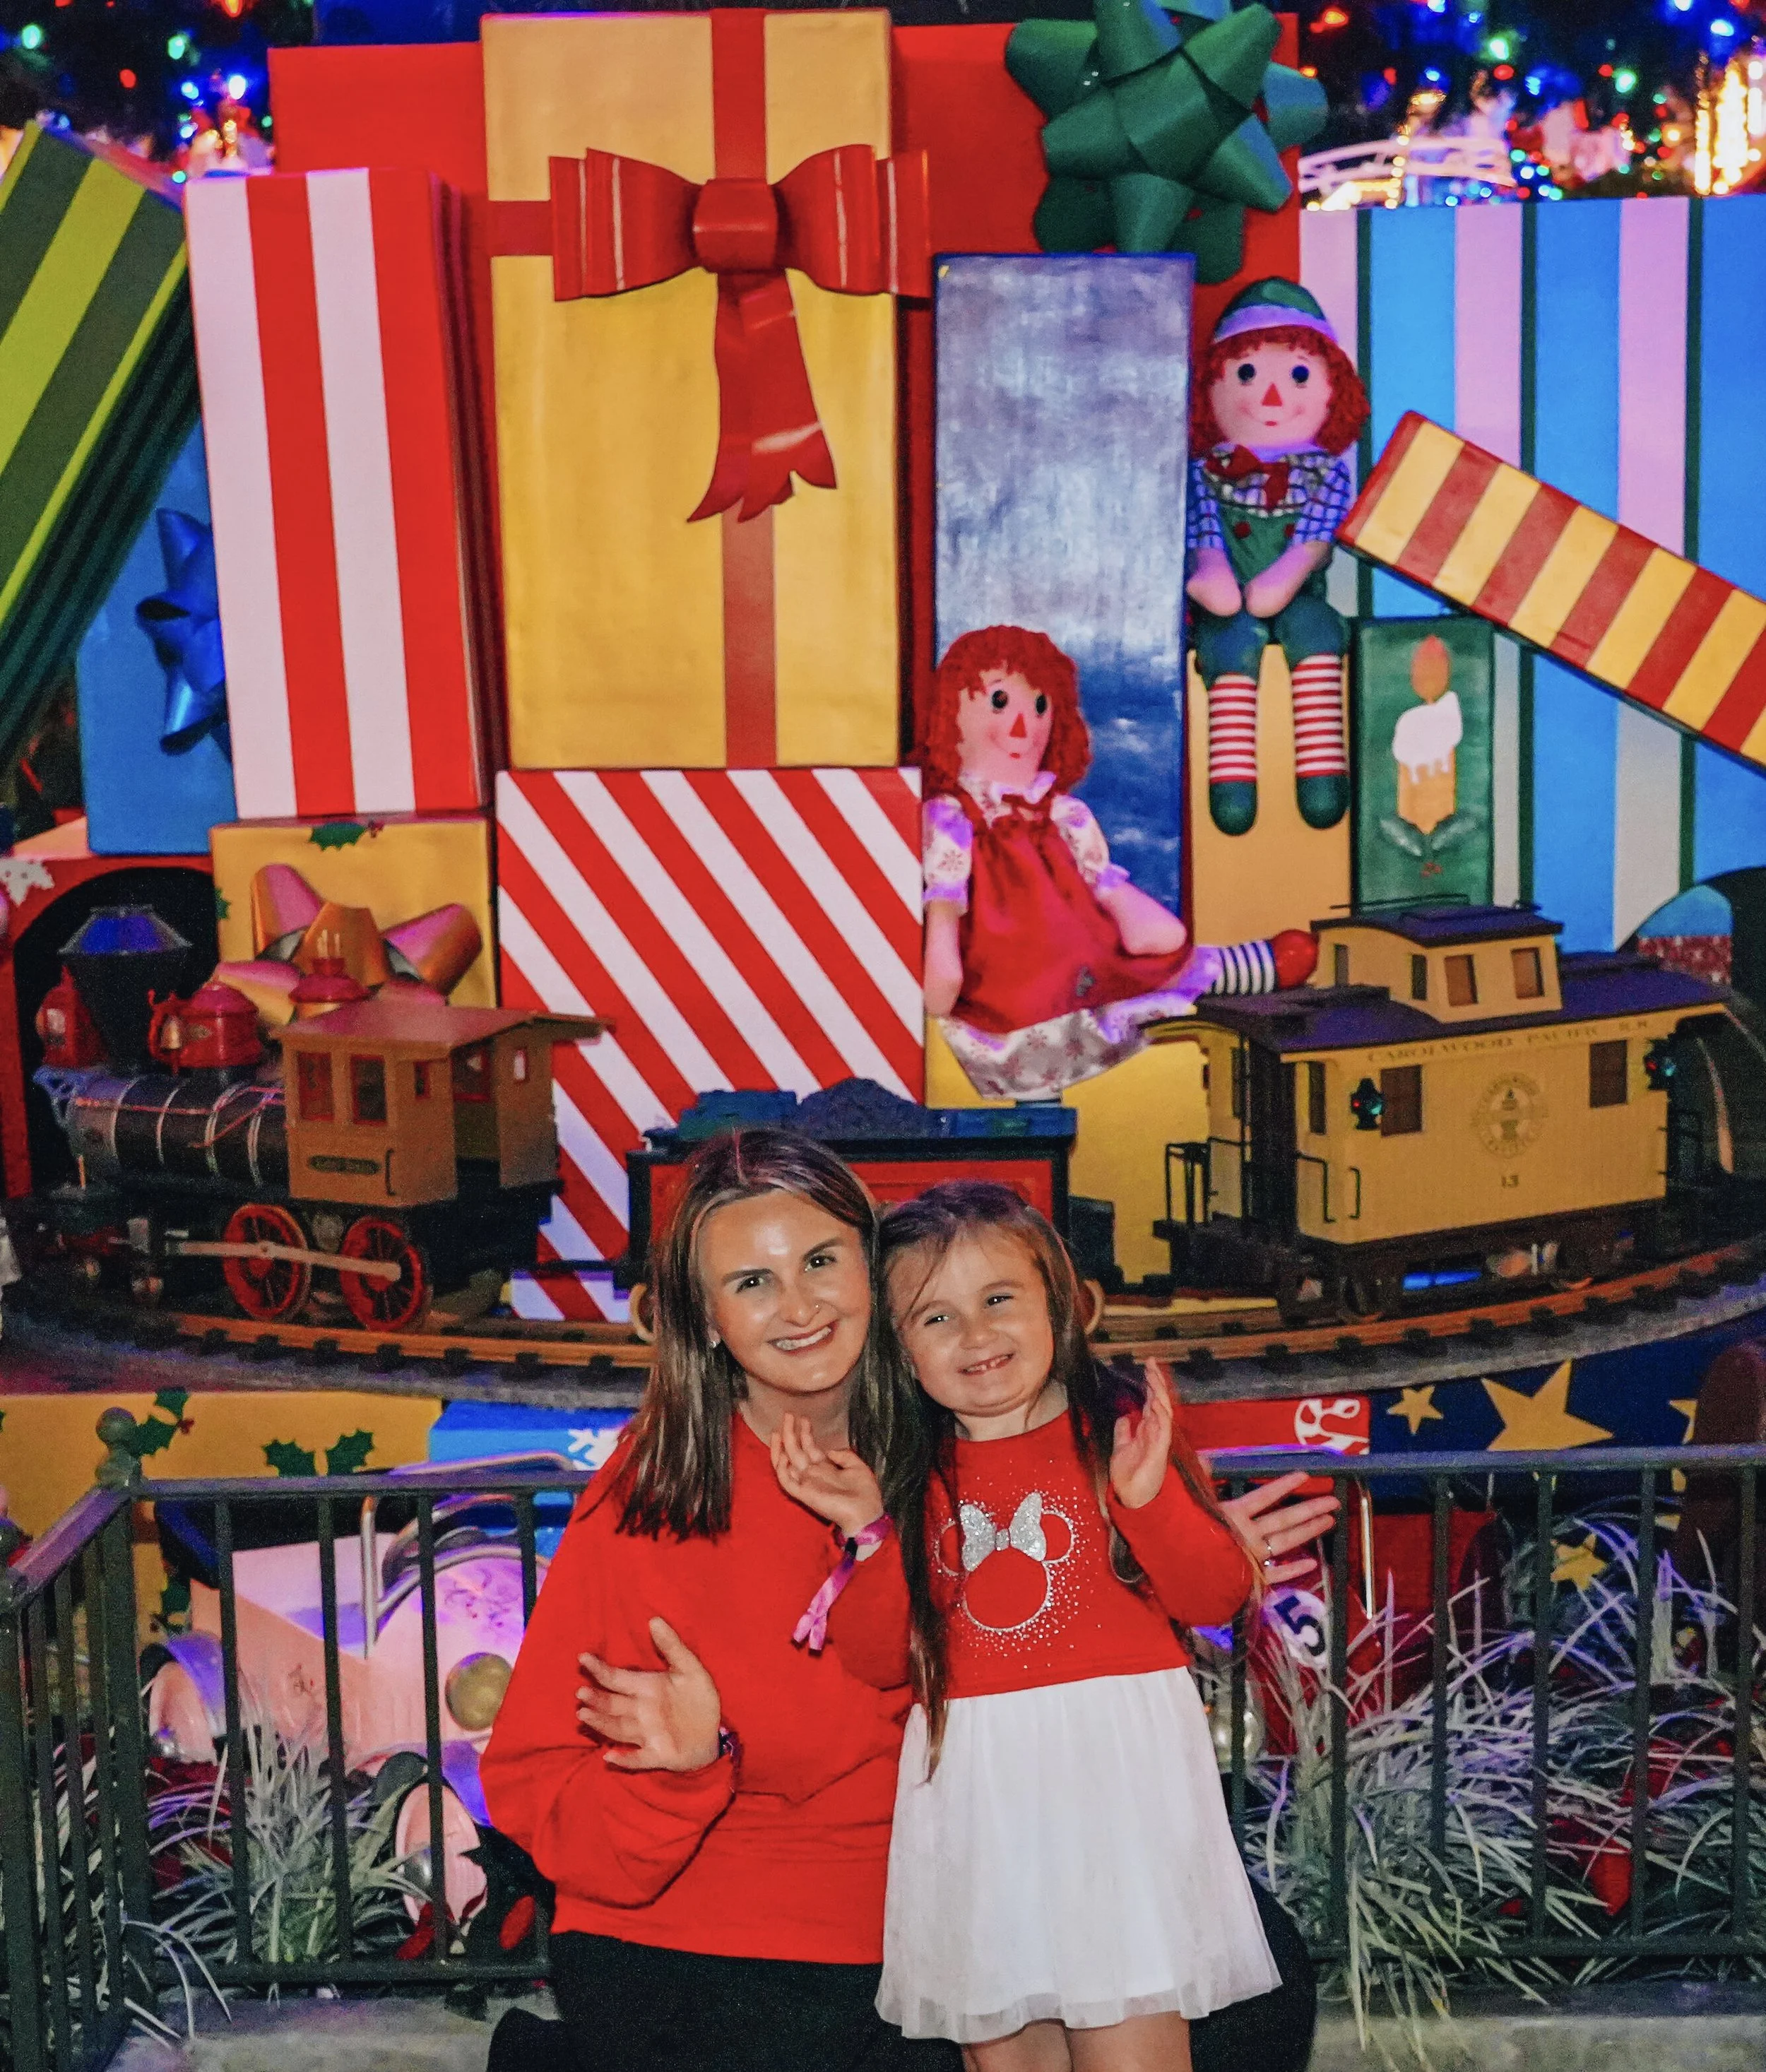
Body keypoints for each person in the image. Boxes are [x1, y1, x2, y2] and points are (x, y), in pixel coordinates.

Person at [772, 1180, 1335, 2071]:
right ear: (898, 1346)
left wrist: (1149, 1503)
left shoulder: (1117, 1437)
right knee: (1009, 2054)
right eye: (936, 1317)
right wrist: (870, 1536)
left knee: (1133, 2046)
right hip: (978, 1793)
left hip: (1115, 1788)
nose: (977, 1334)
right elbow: (879, 1658)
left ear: (1067, 1307)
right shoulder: (905, 1475)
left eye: (999, 1299)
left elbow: (1213, 1595)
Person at [481, 1129, 959, 2072]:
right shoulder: (644, 1491)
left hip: (881, 1932)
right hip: (662, 1934)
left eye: (822, 1260)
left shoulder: (944, 1456)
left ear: (873, 1265)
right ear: (705, 1321)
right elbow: (532, 1776)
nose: (801, 1305)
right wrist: (681, 1770)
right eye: (753, 1282)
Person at [918, 624, 1315, 1103]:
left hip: (1083, 945)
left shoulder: (1061, 812)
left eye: (1039, 706)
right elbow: (946, 895)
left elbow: (1101, 880)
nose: (1024, 726)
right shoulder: (954, 817)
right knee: (1096, 992)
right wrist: (943, 959)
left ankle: (1241, 968)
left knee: (1151, 962)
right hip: (1009, 974)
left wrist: (1136, 914)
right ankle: (1039, 1141)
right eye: (1000, 703)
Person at [1185, 278, 1371, 837]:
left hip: (1297, 593)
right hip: (1230, 600)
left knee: (1315, 631)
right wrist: (1211, 569)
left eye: (1296, 375)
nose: (1270, 397)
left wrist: (1285, 574)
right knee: (1229, 640)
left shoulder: (1326, 474)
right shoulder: (1207, 471)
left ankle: (1321, 771)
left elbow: (1314, 543)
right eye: (1246, 373)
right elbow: (1203, 531)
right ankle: (1231, 780)